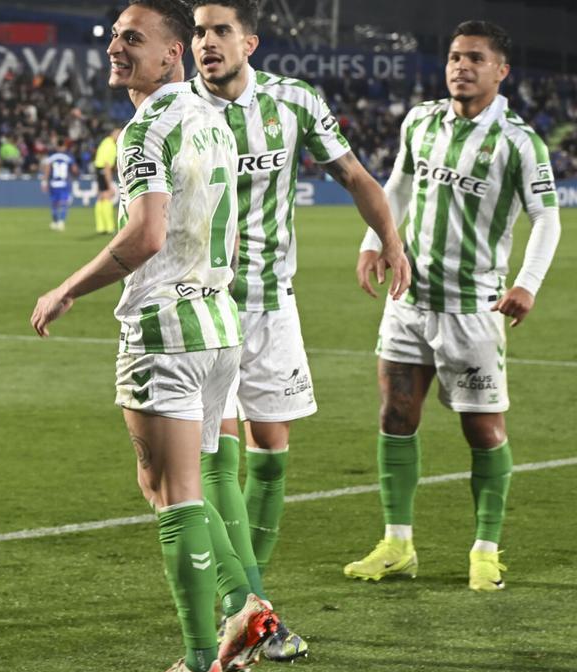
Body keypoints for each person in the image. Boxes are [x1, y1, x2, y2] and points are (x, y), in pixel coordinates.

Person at [32, 2, 284, 672]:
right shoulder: (215, 121)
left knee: (170, 495)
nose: (116, 46)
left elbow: (145, 235)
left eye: (133, 39)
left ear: (171, 53)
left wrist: (66, 289)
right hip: (218, 324)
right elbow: (228, 233)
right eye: (115, 35)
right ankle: (240, 615)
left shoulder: (146, 132)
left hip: (163, 330)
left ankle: (209, 648)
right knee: (193, 482)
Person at [186, 1, 410, 637]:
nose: (208, 42)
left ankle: (247, 592)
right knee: (214, 457)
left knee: (273, 451)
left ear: (249, 41)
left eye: (220, 31)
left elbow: (354, 175)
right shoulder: (178, 109)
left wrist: (389, 239)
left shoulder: (294, 104)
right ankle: (250, 607)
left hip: (272, 303)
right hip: (201, 307)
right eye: (199, 31)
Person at [345, 20, 560, 592]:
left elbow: (546, 217)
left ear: (501, 70)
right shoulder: (421, 120)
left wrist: (528, 282)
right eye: (455, 58)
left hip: (474, 308)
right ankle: (397, 544)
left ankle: (485, 551)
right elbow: (396, 184)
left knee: (483, 430)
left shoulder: (519, 141)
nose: (461, 67)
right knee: (395, 416)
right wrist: (374, 242)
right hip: (409, 298)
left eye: (475, 59)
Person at [40, 146, 77, 231]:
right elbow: (75, 169)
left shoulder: (52, 157)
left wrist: (44, 182)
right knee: (64, 203)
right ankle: (61, 222)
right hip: (64, 184)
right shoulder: (68, 157)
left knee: (54, 204)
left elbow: (47, 169)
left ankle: (55, 222)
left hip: (54, 184)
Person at [92, 124, 120, 234]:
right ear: (113, 133)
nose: (119, 136)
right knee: (107, 196)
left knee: (101, 198)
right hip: (103, 171)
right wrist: (109, 185)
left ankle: (100, 227)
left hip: (98, 170)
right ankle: (109, 227)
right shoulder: (111, 146)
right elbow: (107, 166)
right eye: (118, 133)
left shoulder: (105, 142)